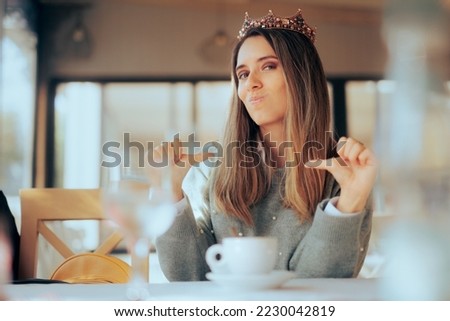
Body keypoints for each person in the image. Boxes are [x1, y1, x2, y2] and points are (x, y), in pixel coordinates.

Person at [154, 9, 377, 281]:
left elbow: (320, 288)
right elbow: (190, 277)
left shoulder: (344, 172)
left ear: (301, 76)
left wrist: (350, 202)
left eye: (268, 66)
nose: (251, 84)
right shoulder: (213, 171)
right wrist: (170, 195)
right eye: (243, 74)